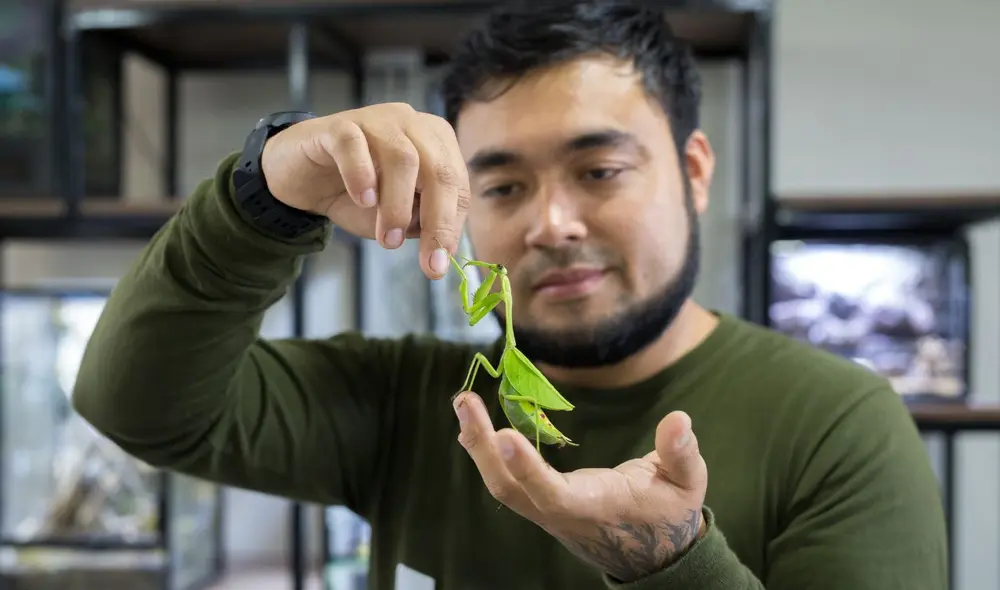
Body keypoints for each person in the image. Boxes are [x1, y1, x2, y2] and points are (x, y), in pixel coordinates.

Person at [72, 1, 948, 588]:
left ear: (693, 172)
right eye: (501, 187)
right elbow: (136, 405)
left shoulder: (840, 423)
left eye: (599, 170)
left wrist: (668, 562)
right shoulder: (411, 401)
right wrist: (260, 199)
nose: (551, 224)